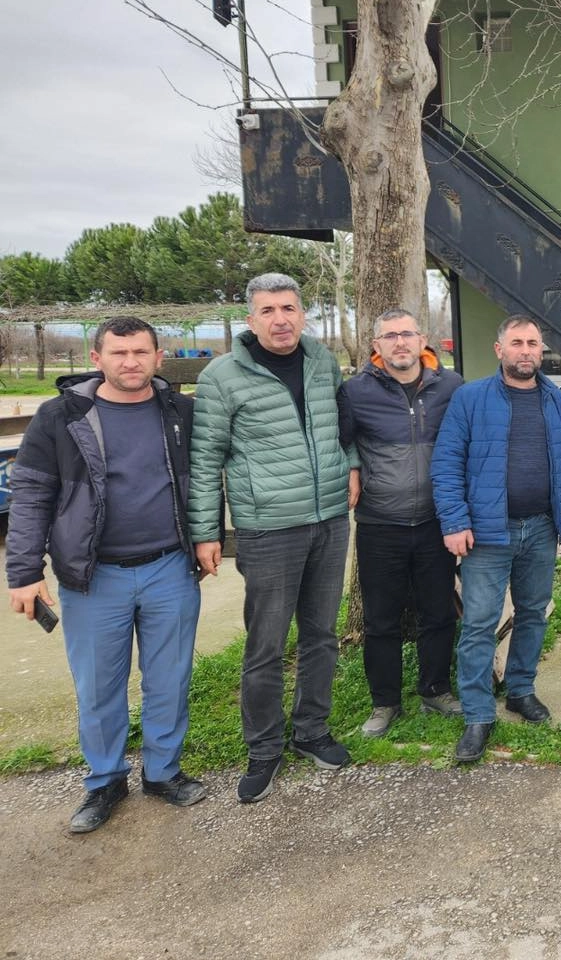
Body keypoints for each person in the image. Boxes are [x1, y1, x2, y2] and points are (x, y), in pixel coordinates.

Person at [6, 317, 205, 832]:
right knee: (98, 686)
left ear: (158, 357)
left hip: (169, 568)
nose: (130, 362)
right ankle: (105, 780)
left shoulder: (181, 412)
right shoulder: (60, 417)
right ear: (96, 359)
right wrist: (24, 571)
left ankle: (163, 772)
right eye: (119, 353)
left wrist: (208, 537)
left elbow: (206, 479)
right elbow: (31, 494)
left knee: (170, 679)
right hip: (93, 577)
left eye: (140, 352)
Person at [190, 273, 353, 803]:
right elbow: (205, 460)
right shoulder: (222, 377)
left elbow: (341, 425)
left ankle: (311, 730)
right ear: (251, 319)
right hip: (268, 528)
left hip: (329, 519)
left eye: (288, 308)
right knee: (265, 644)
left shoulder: (322, 361)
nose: (280, 319)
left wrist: (350, 465)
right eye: (268, 310)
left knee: (321, 635)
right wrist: (206, 532)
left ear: (302, 314)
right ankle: (263, 748)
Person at [431, 315, 561, 763]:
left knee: (533, 614)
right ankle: (478, 713)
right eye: (517, 343)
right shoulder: (470, 399)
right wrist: (454, 522)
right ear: (499, 349)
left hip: (540, 528)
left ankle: (520, 689)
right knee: (480, 623)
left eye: (533, 343)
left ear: (541, 350)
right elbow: (446, 464)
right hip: (486, 533)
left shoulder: (557, 402)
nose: (526, 351)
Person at [338, 309, 464, 738]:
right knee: (381, 619)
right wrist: (354, 466)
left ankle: (435, 689)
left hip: (435, 521)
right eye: (389, 336)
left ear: (422, 339)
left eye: (407, 333)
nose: (400, 342)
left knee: (438, 611)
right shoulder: (355, 391)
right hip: (380, 523)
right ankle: (385, 702)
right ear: (376, 345)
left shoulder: (451, 386)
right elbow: (341, 439)